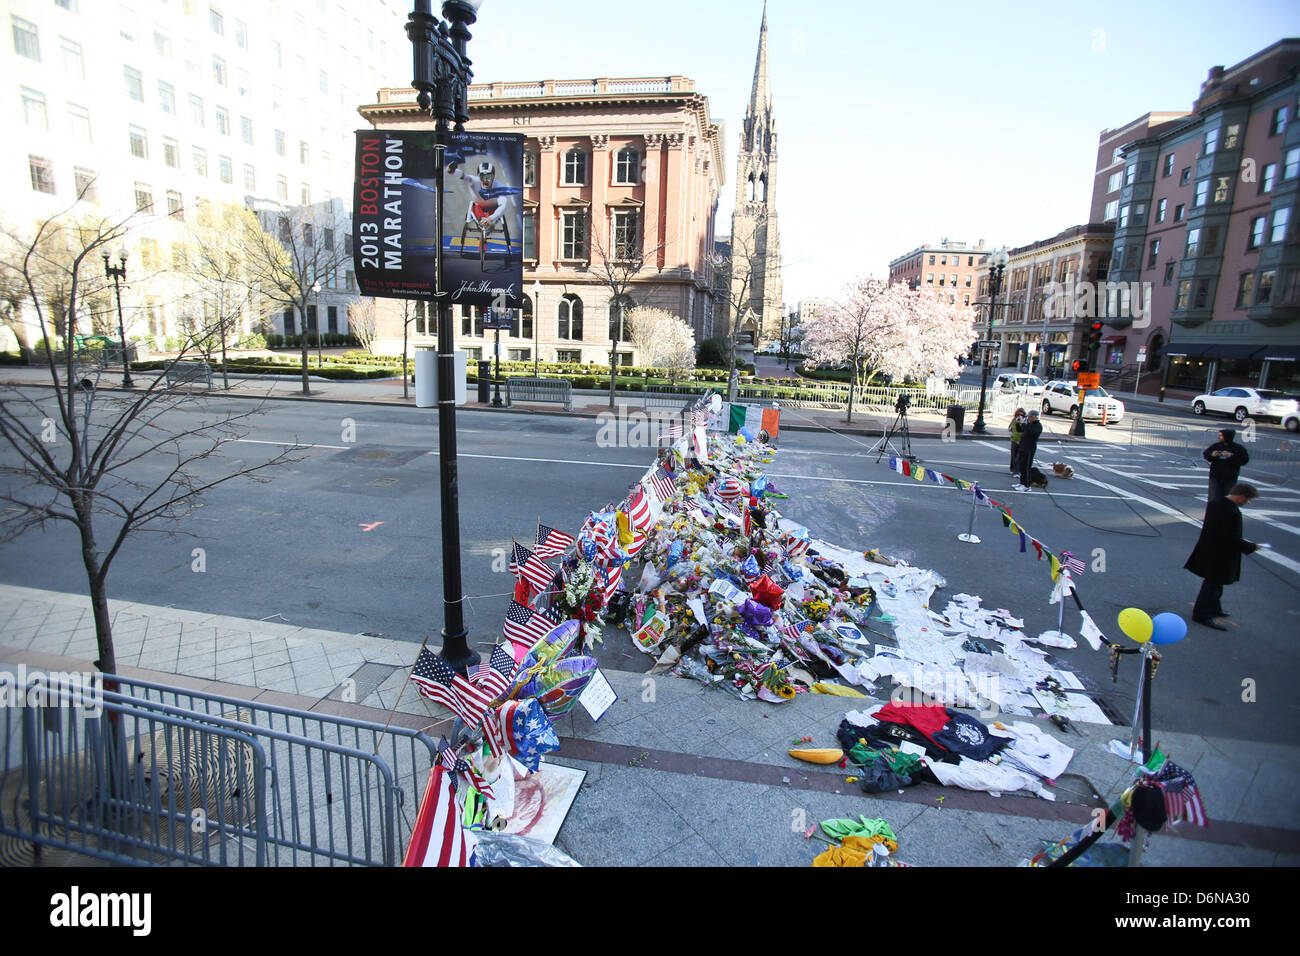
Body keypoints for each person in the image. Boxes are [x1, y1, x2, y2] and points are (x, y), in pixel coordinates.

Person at [1184, 483, 1270, 629]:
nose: (1248, 503)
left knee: (1216, 584)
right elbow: (1232, 538)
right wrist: (1252, 547)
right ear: (1242, 496)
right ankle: (1202, 613)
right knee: (1212, 585)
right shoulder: (1230, 511)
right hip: (1220, 554)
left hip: (1211, 548)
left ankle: (1214, 608)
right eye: (1249, 500)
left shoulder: (1217, 502)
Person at [1203, 428, 1250, 503]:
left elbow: (1244, 460)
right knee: (1213, 497)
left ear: (1227, 437)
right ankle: (1212, 513)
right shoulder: (1216, 446)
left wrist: (1231, 456)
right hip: (1215, 476)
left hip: (1230, 477)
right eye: (1219, 435)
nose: (1219, 437)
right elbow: (1206, 455)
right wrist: (1212, 455)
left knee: (1228, 498)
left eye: (1221, 436)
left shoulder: (1238, 448)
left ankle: (1224, 513)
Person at [1014, 409, 1042, 491]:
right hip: (1023, 447)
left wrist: (1023, 424)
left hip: (1029, 448)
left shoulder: (1037, 425)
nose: (1028, 418)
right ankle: (1022, 482)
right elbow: (1020, 430)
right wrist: (1018, 423)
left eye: (1029, 417)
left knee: (1026, 466)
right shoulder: (1030, 424)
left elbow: (1030, 432)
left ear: (1034, 417)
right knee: (1022, 466)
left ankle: (1027, 485)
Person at [1009, 407, 1026, 476]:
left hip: (1022, 440)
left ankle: (1016, 471)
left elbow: (1025, 429)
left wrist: (1022, 423)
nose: (1019, 417)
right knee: (1013, 455)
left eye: (1021, 415)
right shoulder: (1014, 420)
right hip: (1014, 439)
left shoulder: (1025, 421)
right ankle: (1012, 469)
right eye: (1018, 415)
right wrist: (1012, 435)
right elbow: (1010, 428)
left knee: (1019, 456)